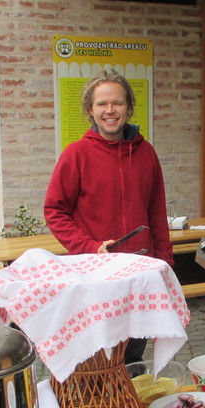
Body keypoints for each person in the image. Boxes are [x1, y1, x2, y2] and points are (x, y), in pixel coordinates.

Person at [44, 70, 174, 363]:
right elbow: (55, 210)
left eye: (117, 103)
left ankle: (133, 393)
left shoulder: (146, 154)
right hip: (94, 277)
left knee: (133, 358)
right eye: (102, 104)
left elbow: (157, 214)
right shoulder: (76, 154)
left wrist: (165, 264)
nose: (110, 110)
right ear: (90, 110)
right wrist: (90, 247)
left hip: (139, 277)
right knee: (96, 362)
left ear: (129, 107)